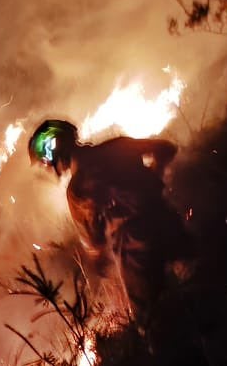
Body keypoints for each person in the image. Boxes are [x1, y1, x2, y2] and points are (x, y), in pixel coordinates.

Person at [27, 117, 195, 319]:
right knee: (200, 281)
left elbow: (95, 242)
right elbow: (166, 148)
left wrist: (99, 260)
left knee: (153, 322)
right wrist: (152, 179)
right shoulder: (117, 146)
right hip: (166, 221)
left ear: (53, 155)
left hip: (134, 252)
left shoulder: (77, 190)